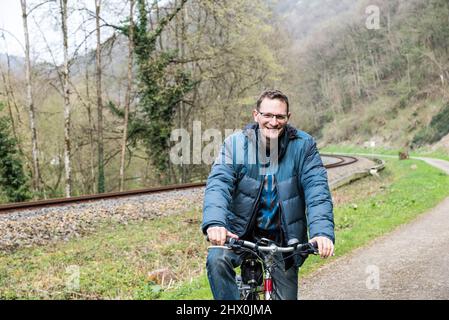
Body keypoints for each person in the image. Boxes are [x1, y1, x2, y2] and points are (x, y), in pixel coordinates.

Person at [202, 89, 335, 300]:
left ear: (288, 118)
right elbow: (219, 184)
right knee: (217, 259)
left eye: (280, 116)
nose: (273, 122)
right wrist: (215, 223)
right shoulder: (235, 144)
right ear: (256, 115)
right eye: (267, 115)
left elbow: (317, 190)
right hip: (240, 235)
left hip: (284, 239)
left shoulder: (304, 145)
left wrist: (322, 232)